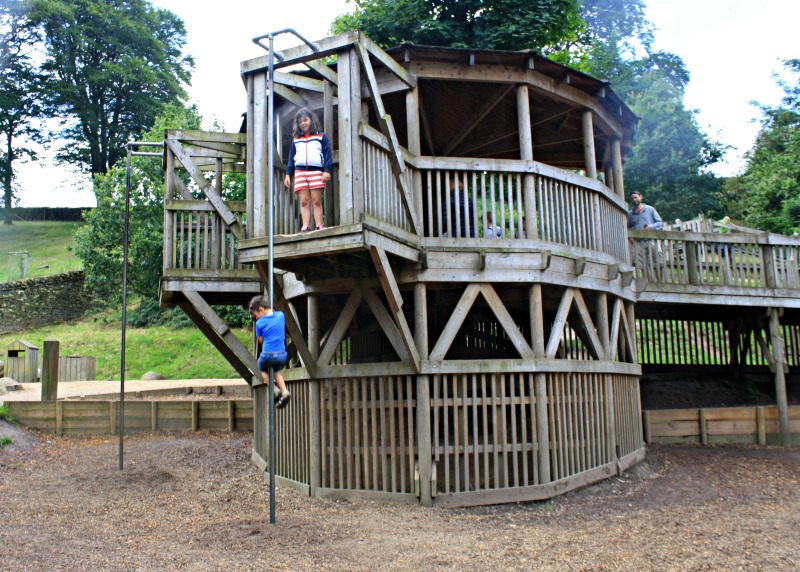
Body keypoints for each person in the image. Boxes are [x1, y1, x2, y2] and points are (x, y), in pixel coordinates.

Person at [284, 107, 333, 232]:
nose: (303, 123)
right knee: (304, 201)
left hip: (316, 171)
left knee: (316, 201)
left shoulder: (321, 136)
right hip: (300, 172)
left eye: (305, 120)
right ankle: (305, 226)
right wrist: (288, 174)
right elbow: (291, 159)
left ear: (311, 120)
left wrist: (327, 170)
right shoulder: (296, 140)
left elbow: (327, 154)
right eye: (300, 122)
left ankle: (319, 226)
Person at [249, 295, 291, 408]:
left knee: (261, 367)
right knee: (277, 372)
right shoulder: (281, 315)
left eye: (256, 316)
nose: (256, 319)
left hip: (268, 354)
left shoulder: (259, 323)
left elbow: (261, 340)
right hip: (282, 355)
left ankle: (274, 390)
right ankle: (285, 391)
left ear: (261, 310)